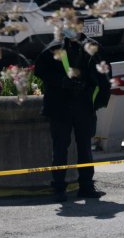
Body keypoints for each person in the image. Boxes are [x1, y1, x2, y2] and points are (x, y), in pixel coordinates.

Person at [35, 27, 112, 202]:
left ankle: (86, 186)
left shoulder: (93, 48)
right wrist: (61, 82)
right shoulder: (54, 48)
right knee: (60, 148)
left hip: (83, 104)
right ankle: (59, 189)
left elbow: (105, 75)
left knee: (85, 146)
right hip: (60, 105)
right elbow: (40, 71)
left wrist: (89, 90)